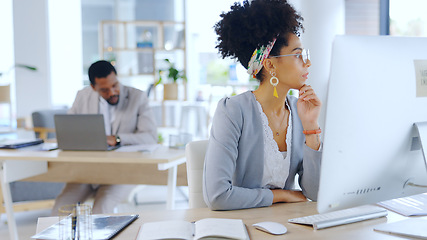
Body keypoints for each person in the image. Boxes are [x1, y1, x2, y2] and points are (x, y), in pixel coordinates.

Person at [203, 0, 322, 210]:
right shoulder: (232, 111)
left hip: (287, 225)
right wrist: (280, 195)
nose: (308, 63)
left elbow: (314, 192)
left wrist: (311, 129)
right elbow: (217, 196)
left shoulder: (299, 110)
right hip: (242, 226)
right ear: (270, 64)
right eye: (297, 55)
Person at [51, 60, 157, 215]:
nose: (112, 92)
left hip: (121, 174)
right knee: (59, 209)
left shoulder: (138, 97)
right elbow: (69, 129)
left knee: (100, 211)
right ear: (93, 88)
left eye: (115, 85)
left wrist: (118, 139)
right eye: (105, 90)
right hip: (87, 172)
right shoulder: (82, 96)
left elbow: (150, 137)